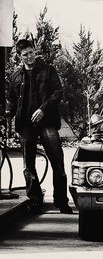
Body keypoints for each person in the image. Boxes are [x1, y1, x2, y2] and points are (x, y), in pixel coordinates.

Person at [7, 39, 72, 214]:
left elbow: (58, 92)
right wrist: (8, 117)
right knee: (28, 165)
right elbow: (12, 102)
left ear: (34, 51)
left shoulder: (48, 71)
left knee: (57, 162)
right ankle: (35, 200)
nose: (30, 56)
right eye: (25, 54)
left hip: (47, 122)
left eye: (31, 52)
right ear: (20, 56)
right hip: (25, 125)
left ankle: (61, 201)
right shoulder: (15, 76)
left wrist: (43, 109)